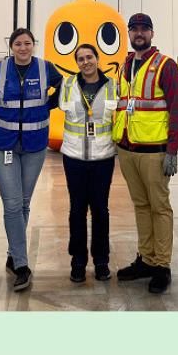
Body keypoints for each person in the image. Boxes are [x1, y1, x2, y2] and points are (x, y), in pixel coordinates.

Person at [111, 13, 178, 295]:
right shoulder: (125, 65)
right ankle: (146, 259)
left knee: (160, 207)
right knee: (141, 206)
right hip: (128, 149)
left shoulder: (164, 65)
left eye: (144, 29)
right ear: (129, 34)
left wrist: (172, 150)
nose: (139, 34)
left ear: (152, 34)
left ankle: (162, 265)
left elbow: (177, 108)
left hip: (154, 151)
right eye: (134, 30)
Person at [0, 27, 63, 292]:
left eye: (27, 43)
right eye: (18, 44)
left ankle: (12, 252)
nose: (23, 48)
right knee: (12, 204)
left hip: (34, 144)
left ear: (34, 45)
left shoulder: (45, 68)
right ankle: (21, 263)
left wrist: (48, 104)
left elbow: (62, 87)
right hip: (3, 145)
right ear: (11, 46)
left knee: (25, 203)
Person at [58, 43, 119, 284]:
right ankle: (78, 262)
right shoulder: (67, 85)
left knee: (100, 210)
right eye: (81, 59)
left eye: (89, 57)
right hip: (73, 158)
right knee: (77, 210)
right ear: (77, 63)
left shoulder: (112, 86)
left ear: (97, 58)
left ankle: (102, 261)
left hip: (103, 158)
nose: (86, 62)